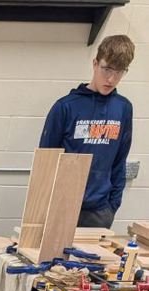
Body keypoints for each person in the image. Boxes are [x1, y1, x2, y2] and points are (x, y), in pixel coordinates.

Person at [39, 34, 134, 228]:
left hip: (100, 212)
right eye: (106, 69)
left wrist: (112, 205)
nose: (111, 78)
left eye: (119, 72)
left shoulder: (123, 108)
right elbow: (45, 163)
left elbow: (119, 161)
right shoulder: (65, 107)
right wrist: (46, 206)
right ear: (95, 63)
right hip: (62, 207)